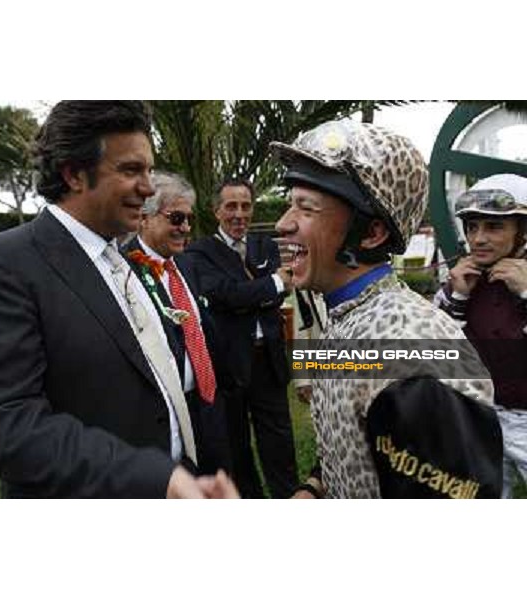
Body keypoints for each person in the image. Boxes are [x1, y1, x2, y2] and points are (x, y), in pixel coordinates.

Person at [0, 101, 237, 499]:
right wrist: (153, 476)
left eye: (149, 170)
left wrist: (181, 467)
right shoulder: (0, 264)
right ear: (74, 174)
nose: (149, 188)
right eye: (132, 170)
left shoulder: (119, 259)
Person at [272, 118, 501, 499]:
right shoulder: (349, 316)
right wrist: (314, 487)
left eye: (306, 208)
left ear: (372, 233)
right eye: (288, 205)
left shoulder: (411, 347)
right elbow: (351, 441)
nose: (283, 223)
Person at [185, 178, 299, 498]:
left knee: (279, 443)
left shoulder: (266, 246)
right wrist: (268, 286)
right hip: (230, 366)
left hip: (269, 362)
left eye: (246, 206)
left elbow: (278, 290)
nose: (239, 214)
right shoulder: (200, 253)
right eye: (231, 206)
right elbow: (223, 295)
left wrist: (251, 295)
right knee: (238, 447)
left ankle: (289, 499)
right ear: (216, 211)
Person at [123, 171, 232, 474]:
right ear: (144, 217)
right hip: (165, 413)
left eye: (188, 219)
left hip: (208, 401)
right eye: (175, 218)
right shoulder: (122, 271)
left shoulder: (187, 263)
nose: (185, 228)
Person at [434, 173, 527, 497]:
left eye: (494, 227)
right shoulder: (461, 280)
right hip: (481, 417)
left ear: (523, 231)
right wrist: (457, 298)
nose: (479, 238)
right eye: (472, 227)